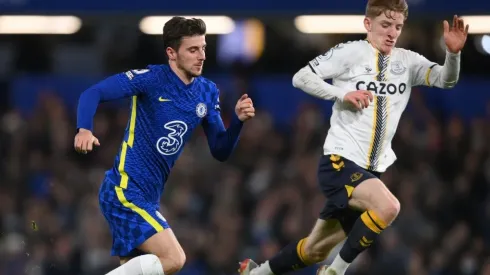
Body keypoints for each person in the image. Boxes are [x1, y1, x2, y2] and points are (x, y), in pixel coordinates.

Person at [239, 0, 469, 274]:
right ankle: (335, 271)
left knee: (316, 249)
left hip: (371, 172)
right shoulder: (350, 53)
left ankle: (255, 273)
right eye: (385, 25)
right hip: (340, 162)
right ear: (368, 24)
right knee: (389, 206)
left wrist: (452, 54)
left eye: (398, 26)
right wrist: (342, 94)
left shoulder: (408, 62)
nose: (392, 32)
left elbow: (447, 80)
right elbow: (301, 78)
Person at [74, 16, 255, 275]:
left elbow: (220, 150)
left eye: (203, 48)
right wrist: (84, 128)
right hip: (125, 190)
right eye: (193, 50)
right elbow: (93, 93)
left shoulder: (207, 91)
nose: (201, 55)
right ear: (172, 53)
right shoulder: (150, 79)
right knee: (174, 258)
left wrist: (237, 121)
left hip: (148, 197)